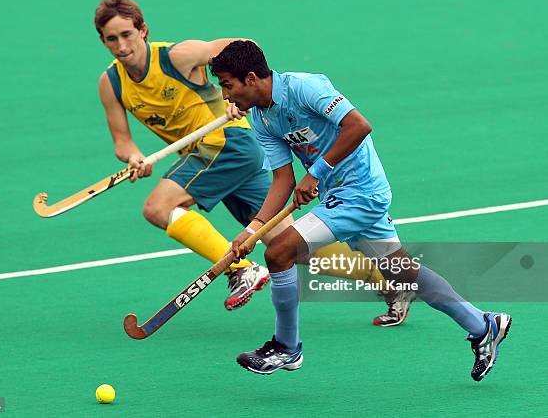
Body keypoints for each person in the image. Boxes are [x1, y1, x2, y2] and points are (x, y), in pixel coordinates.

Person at [210, 40, 512, 381]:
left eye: (227, 85)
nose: (226, 96)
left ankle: (287, 347)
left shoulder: (305, 87)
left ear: (250, 78)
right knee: (401, 272)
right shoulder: (262, 119)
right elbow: (282, 180)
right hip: (336, 194)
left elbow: (359, 125)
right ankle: (483, 325)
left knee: (279, 252)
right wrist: (253, 230)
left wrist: (316, 173)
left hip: (361, 191)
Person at [94, 0, 287, 310]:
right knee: (287, 243)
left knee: (157, 208)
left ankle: (241, 269)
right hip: (223, 157)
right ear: (104, 42)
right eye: (111, 39)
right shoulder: (111, 82)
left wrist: (236, 94)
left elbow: (246, 45)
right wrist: (133, 158)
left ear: (143, 30)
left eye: (127, 34)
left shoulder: (178, 57)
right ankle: (390, 278)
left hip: (226, 144)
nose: (122, 46)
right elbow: (122, 141)